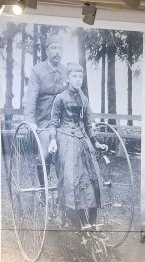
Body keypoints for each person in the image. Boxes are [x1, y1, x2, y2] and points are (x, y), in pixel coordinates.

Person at [46, 63, 100, 242]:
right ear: (68, 78)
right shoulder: (60, 98)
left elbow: (88, 124)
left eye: (80, 76)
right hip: (66, 140)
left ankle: (91, 223)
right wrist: (53, 140)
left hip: (81, 141)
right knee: (72, 181)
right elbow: (53, 123)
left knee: (91, 179)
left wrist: (96, 142)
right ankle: (78, 222)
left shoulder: (84, 99)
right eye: (74, 76)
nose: (78, 80)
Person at [21, 32, 69, 128]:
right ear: (47, 51)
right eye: (54, 48)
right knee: (47, 136)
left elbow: (76, 97)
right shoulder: (38, 70)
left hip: (62, 124)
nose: (57, 51)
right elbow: (31, 99)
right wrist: (30, 122)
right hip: (42, 123)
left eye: (60, 48)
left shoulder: (66, 72)